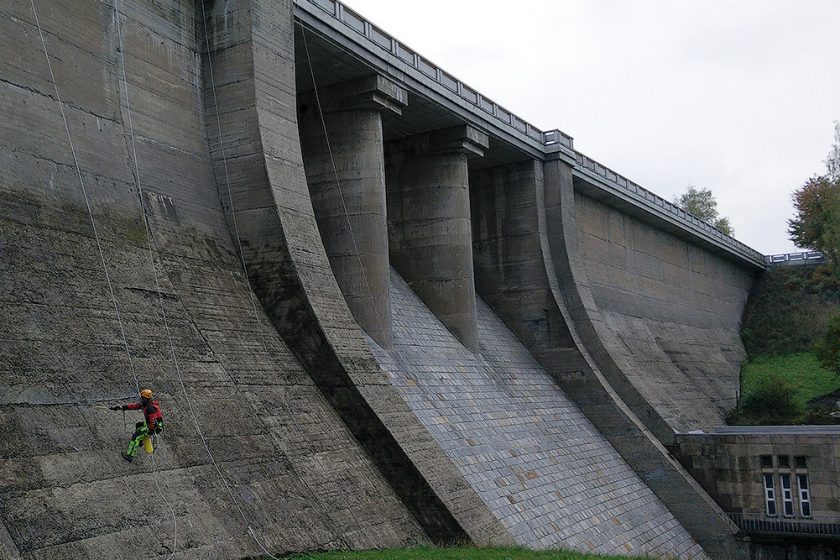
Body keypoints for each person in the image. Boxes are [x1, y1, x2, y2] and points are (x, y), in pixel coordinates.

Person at [110, 388, 164, 462]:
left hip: (155, 427)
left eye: (143, 398)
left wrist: (149, 433)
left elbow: (153, 423)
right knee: (138, 425)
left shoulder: (150, 408)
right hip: (151, 424)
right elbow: (134, 406)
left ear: (147, 399)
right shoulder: (146, 404)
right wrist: (121, 407)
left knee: (136, 436)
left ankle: (130, 455)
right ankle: (140, 442)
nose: (141, 400)